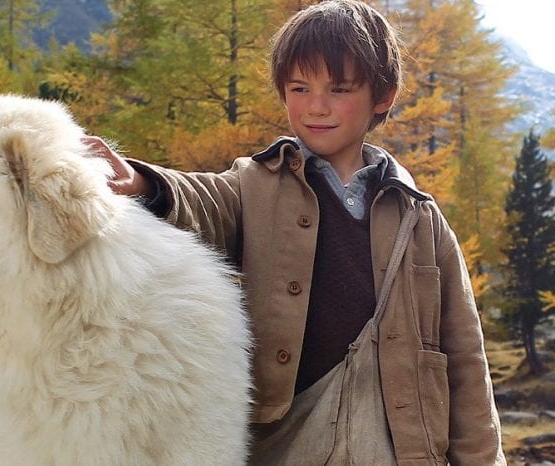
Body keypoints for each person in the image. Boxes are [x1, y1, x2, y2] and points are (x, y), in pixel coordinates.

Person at [86, 0, 505, 464]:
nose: (316, 107)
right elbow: (201, 199)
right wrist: (143, 182)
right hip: (285, 442)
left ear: (382, 96)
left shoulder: (422, 221)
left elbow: (466, 362)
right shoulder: (256, 185)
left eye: (339, 88)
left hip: (398, 449)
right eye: (300, 88)